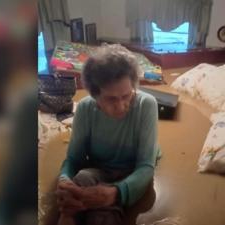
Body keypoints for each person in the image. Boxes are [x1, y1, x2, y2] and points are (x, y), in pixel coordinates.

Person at [56, 44, 160, 225]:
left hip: (132, 170)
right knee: (79, 182)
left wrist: (115, 193)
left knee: (101, 217)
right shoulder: (85, 108)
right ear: (95, 95)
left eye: (126, 96)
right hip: (99, 170)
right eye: (111, 99)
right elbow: (74, 159)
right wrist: (65, 182)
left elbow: (145, 167)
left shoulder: (146, 105)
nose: (121, 106)